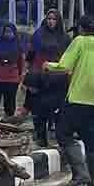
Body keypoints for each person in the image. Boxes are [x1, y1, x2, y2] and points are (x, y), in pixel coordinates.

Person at [46, 15, 94, 186]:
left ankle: (80, 173)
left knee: (64, 133)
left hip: (78, 99)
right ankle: (92, 180)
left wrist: (48, 65)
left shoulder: (80, 41)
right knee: (92, 140)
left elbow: (65, 65)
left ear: (81, 29)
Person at [24, 9, 71, 146]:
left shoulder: (64, 38)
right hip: (40, 77)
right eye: (49, 19)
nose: (51, 22)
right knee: (38, 109)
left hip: (59, 79)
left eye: (54, 19)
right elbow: (30, 56)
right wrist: (26, 76)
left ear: (59, 21)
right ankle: (40, 138)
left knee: (59, 111)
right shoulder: (38, 36)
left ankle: (61, 140)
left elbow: (69, 58)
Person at [0, 22, 24, 120]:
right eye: (6, 32)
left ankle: (8, 119)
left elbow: (21, 64)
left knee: (10, 102)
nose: (8, 34)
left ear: (14, 33)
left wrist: (21, 78)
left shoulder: (18, 47)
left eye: (10, 32)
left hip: (12, 79)